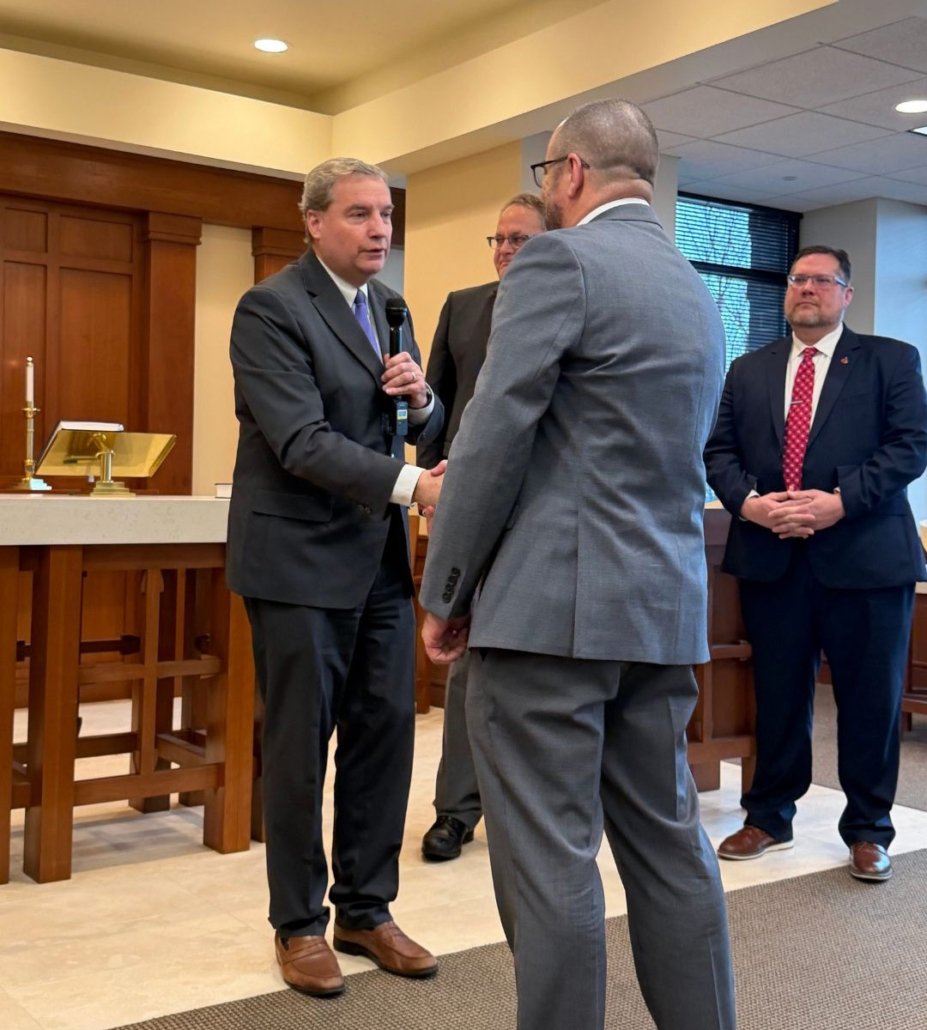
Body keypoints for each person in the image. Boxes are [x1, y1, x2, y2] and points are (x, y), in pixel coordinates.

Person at [418, 99, 735, 1030]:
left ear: (570, 173)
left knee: (549, 858)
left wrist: (447, 588)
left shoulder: (559, 261)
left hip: (548, 616)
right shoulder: (692, 285)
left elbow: (492, 434)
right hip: (659, 614)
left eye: (546, 175)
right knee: (669, 847)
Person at [226, 157, 444, 996]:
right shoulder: (270, 308)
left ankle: (365, 908)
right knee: (298, 748)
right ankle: (297, 925)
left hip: (377, 563)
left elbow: (415, 424)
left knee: (385, 738)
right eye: (359, 214)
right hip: (297, 562)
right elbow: (301, 442)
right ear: (313, 221)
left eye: (385, 214)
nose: (379, 229)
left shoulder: (390, 307)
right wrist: (414, 486)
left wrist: (421, 399)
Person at [705, 245, 927, 882]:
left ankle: (868, 829)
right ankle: (769, 817)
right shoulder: (748, 369)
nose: (807, 288)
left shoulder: (890, 360)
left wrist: (840, 503)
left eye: (822, 281)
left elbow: (910, 447)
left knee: (869, 700)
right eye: (798, 278)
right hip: (772, 557)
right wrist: (750, 505)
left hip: (866, 559)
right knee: (778, 695)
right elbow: (718, 452)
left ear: (846, 295)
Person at [419, 192, 547, 862]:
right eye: (499, 239)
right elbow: (433, 408)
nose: (505, 251)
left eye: (520, 239)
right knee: (465, 662)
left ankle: (530, 807)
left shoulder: (569, 308)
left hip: (543, 510)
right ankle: (455, 811)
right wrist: (430, 484)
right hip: (469, 504)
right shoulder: (463, 307)